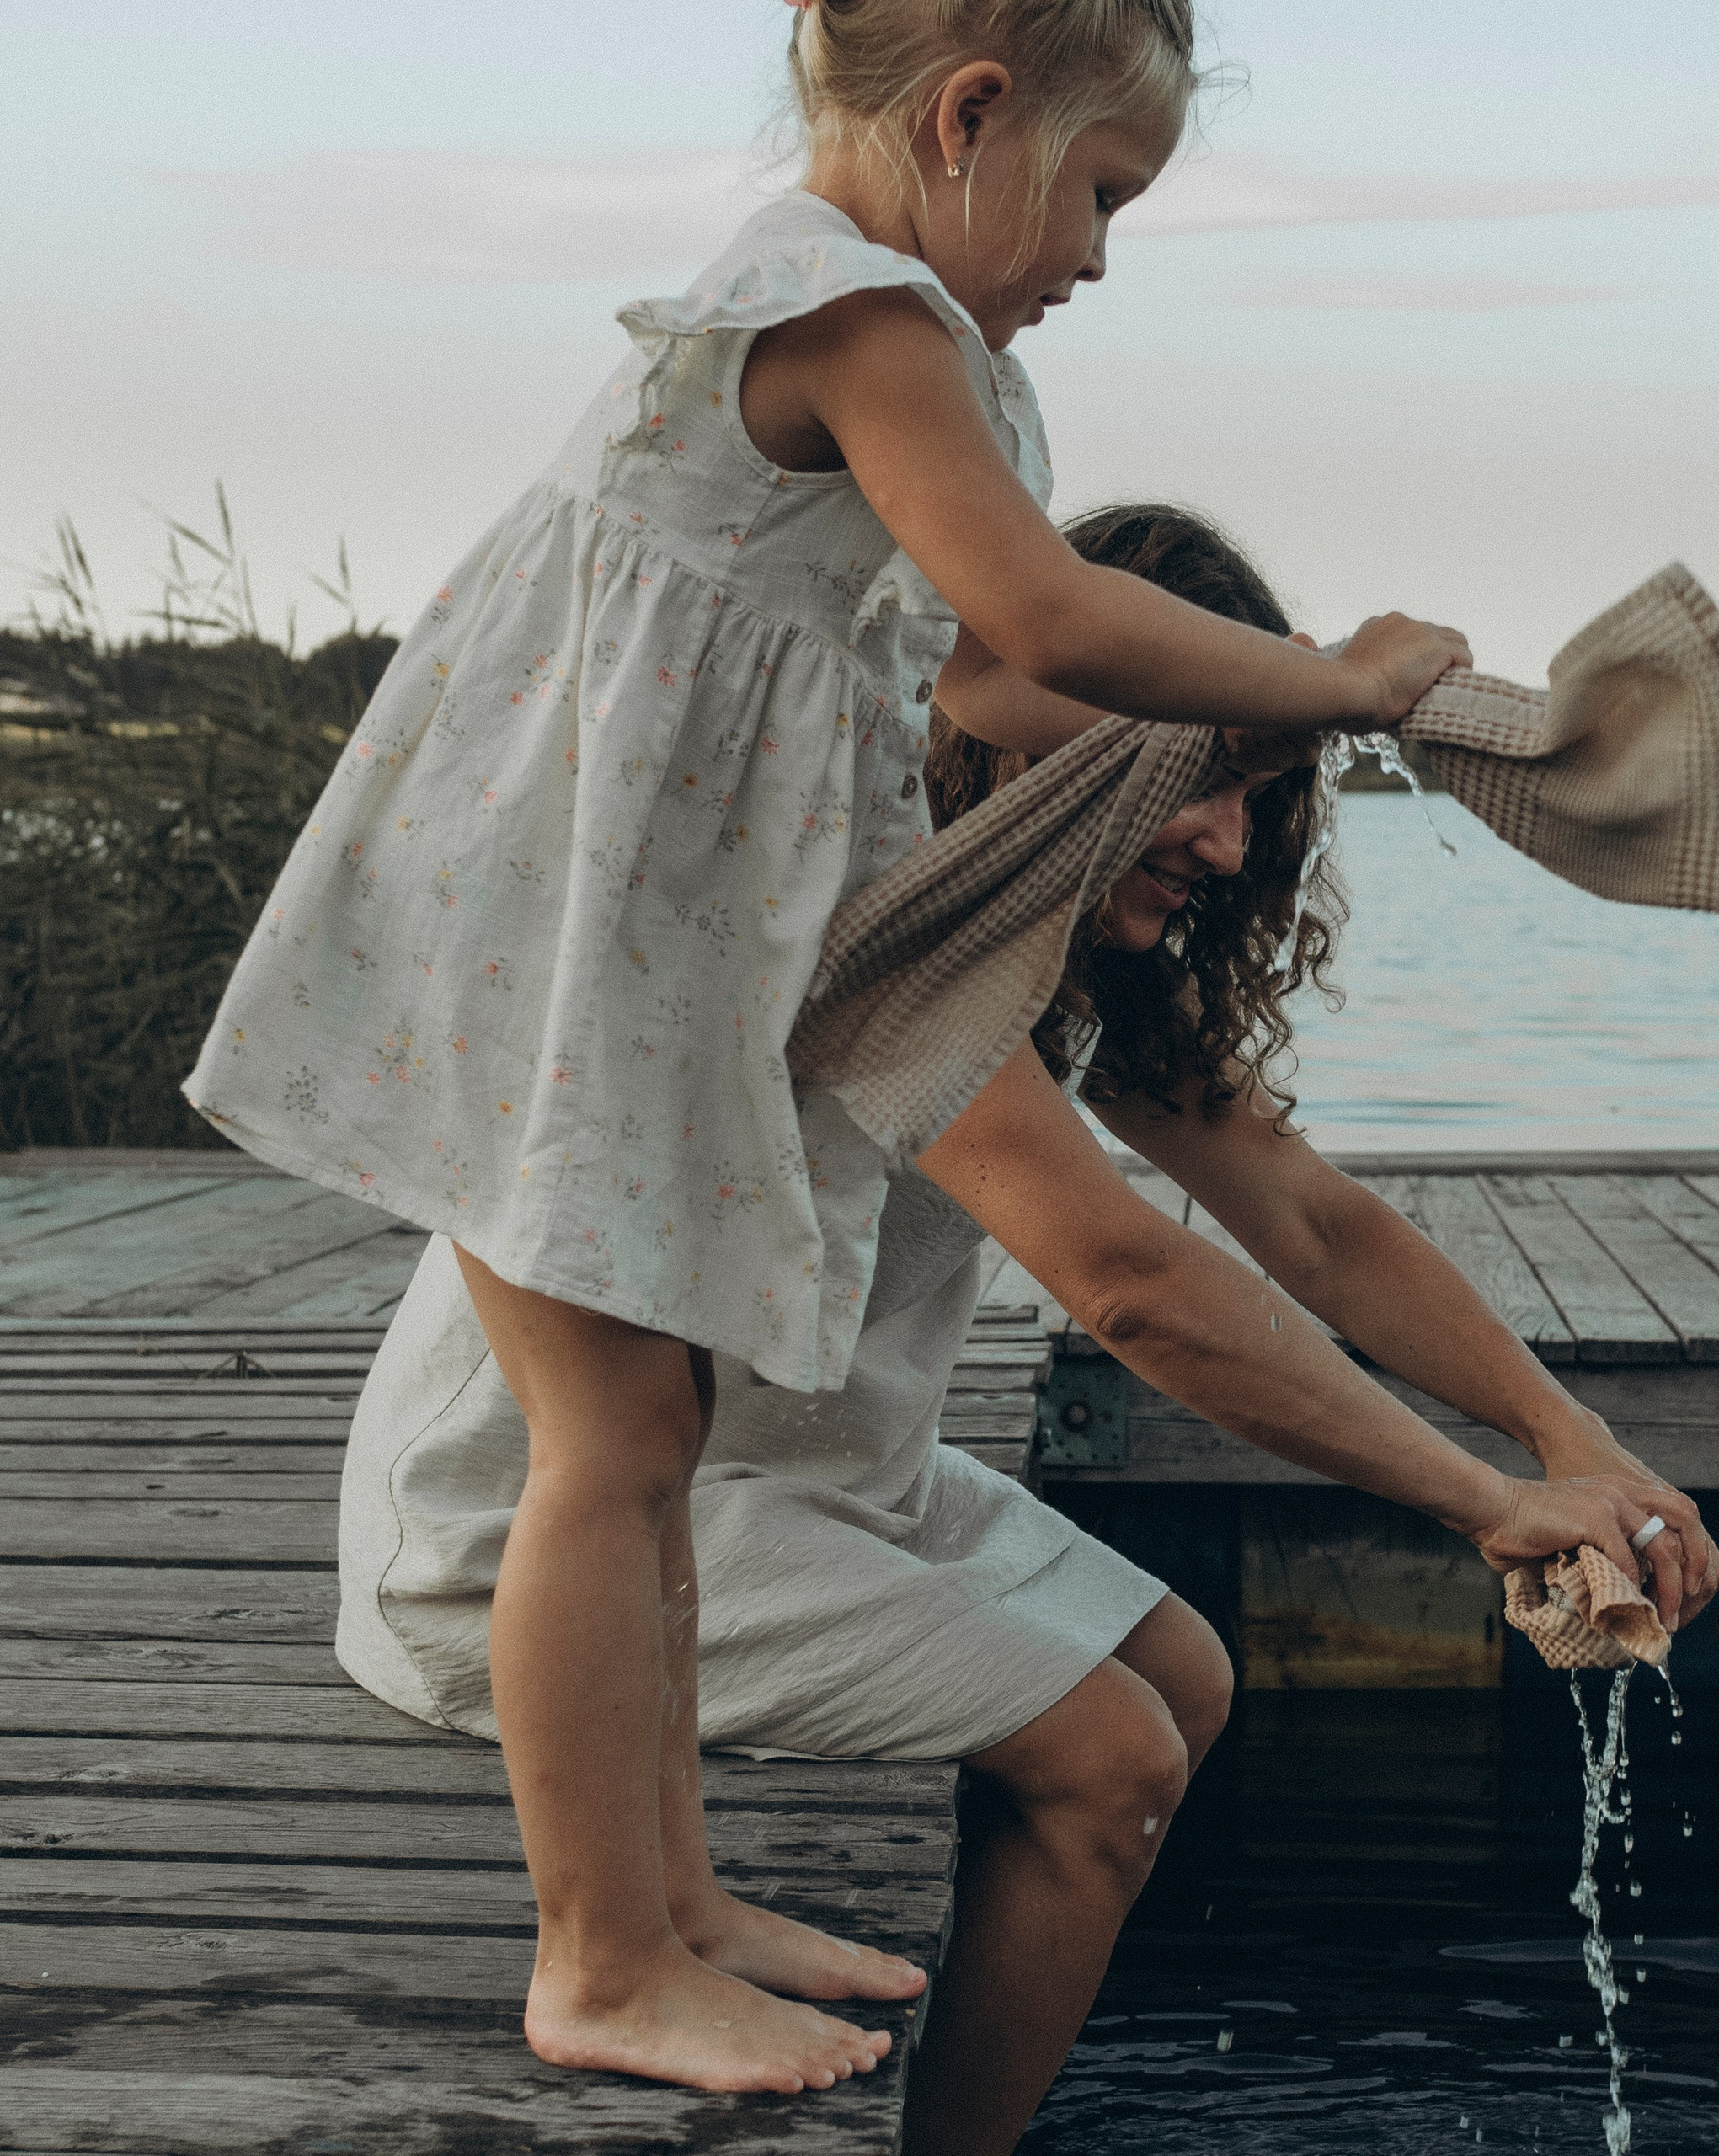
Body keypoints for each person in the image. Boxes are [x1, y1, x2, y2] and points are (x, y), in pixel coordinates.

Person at [184, 0, 1479, 2105]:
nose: (1093, 253)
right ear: (970, 117)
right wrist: (1334, 678)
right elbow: (1047, 624)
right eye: (1099, 191)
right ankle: (599, 1947)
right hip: (565, 944)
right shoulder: (855, 310)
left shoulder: (957, 379)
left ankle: (669, 1900)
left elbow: (984, 676)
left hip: (653, 942)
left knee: (658, 1433)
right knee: (607, 1447)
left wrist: (1262, 729)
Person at [338, 499, 1719, 2155]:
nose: (1224, 841)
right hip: (557, 1534)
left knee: (1184, 1677)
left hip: (807, 1477)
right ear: (1061, 734)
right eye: (1201, 776)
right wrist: (1483, 1502)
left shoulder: (1054, 943)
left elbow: (1309, 1219)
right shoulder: (870, 925)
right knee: (1103, 1751)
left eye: (1260, 796)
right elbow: (1126, 1281)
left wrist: (1568, 1437)